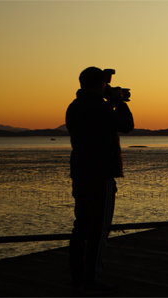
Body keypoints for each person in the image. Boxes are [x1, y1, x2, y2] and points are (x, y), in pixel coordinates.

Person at [65, 66, 134, 292]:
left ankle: (77, 277)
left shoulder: (74, 106)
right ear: (100, 85)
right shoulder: (100, 107)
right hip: (101, 173)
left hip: (81, 172)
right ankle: (91, 280)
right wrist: (118, 101)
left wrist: (109, 100)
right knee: (98, 229)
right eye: (105, 84)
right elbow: (126, 125)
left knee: (81, 227)